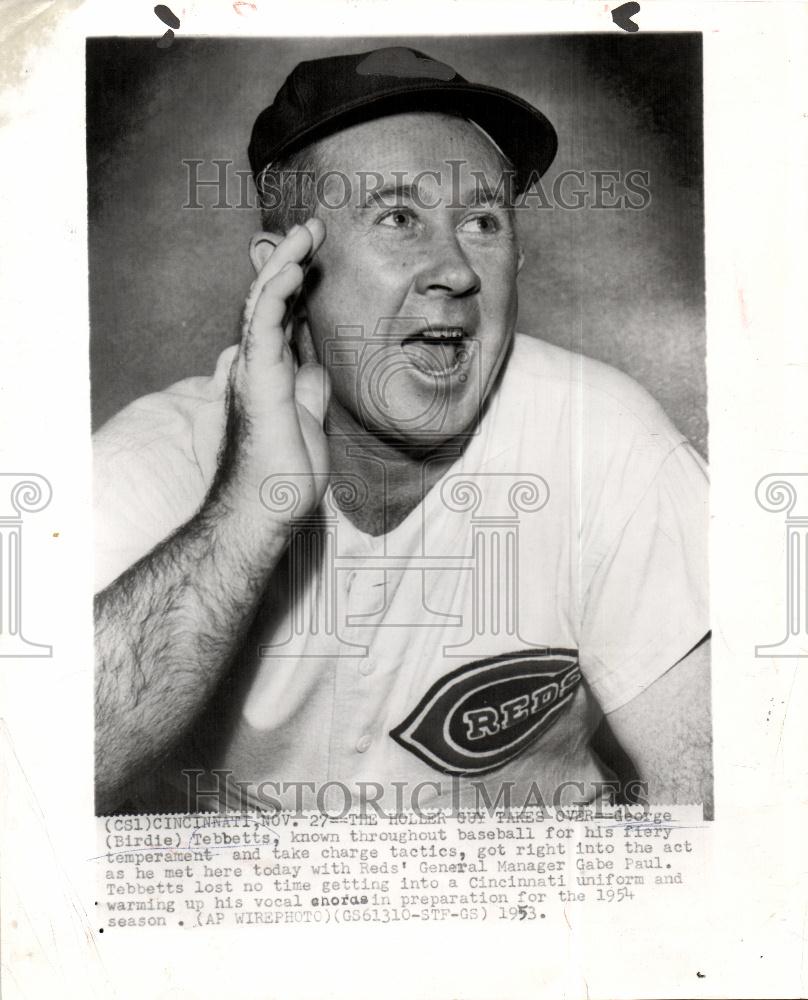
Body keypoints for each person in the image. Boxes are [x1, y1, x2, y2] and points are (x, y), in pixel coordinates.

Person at [93, 46, 711, 817]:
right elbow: (37, 797)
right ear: (286, 275)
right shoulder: (153, 460)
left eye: (482, 220)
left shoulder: (611, 443)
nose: (454, 269)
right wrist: (250, 508)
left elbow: (739, 817)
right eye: (397, 217)